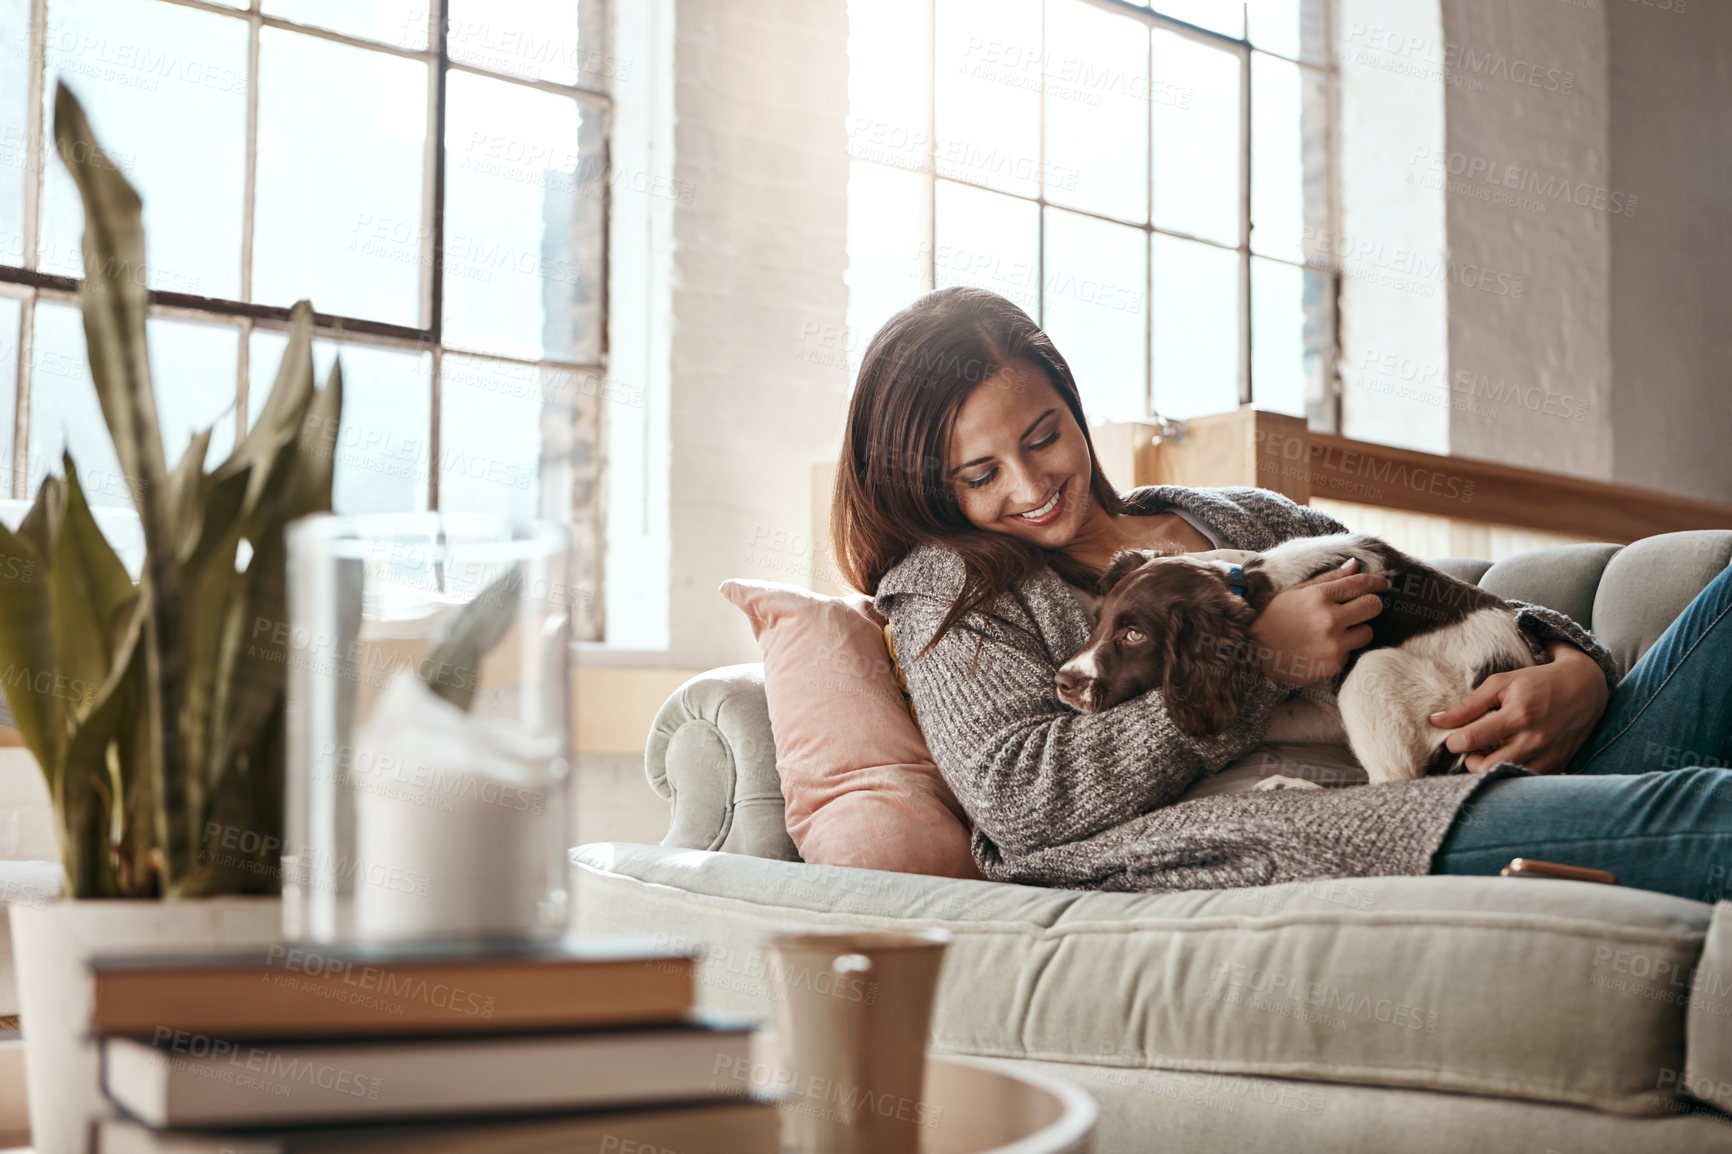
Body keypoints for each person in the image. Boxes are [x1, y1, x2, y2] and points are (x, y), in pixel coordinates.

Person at [832, 286, 1732, 901]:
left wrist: (1574, 669)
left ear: (1071, 403)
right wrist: (1264, 660)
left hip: (1513, 737)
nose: (1029, 485)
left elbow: (1421, 592)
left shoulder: (1235, 511)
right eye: (980, 473)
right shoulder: (950, 586)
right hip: (1384, 818)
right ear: (928, 484)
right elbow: (1022, 804)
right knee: (1711, 813)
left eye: (1044, 436)